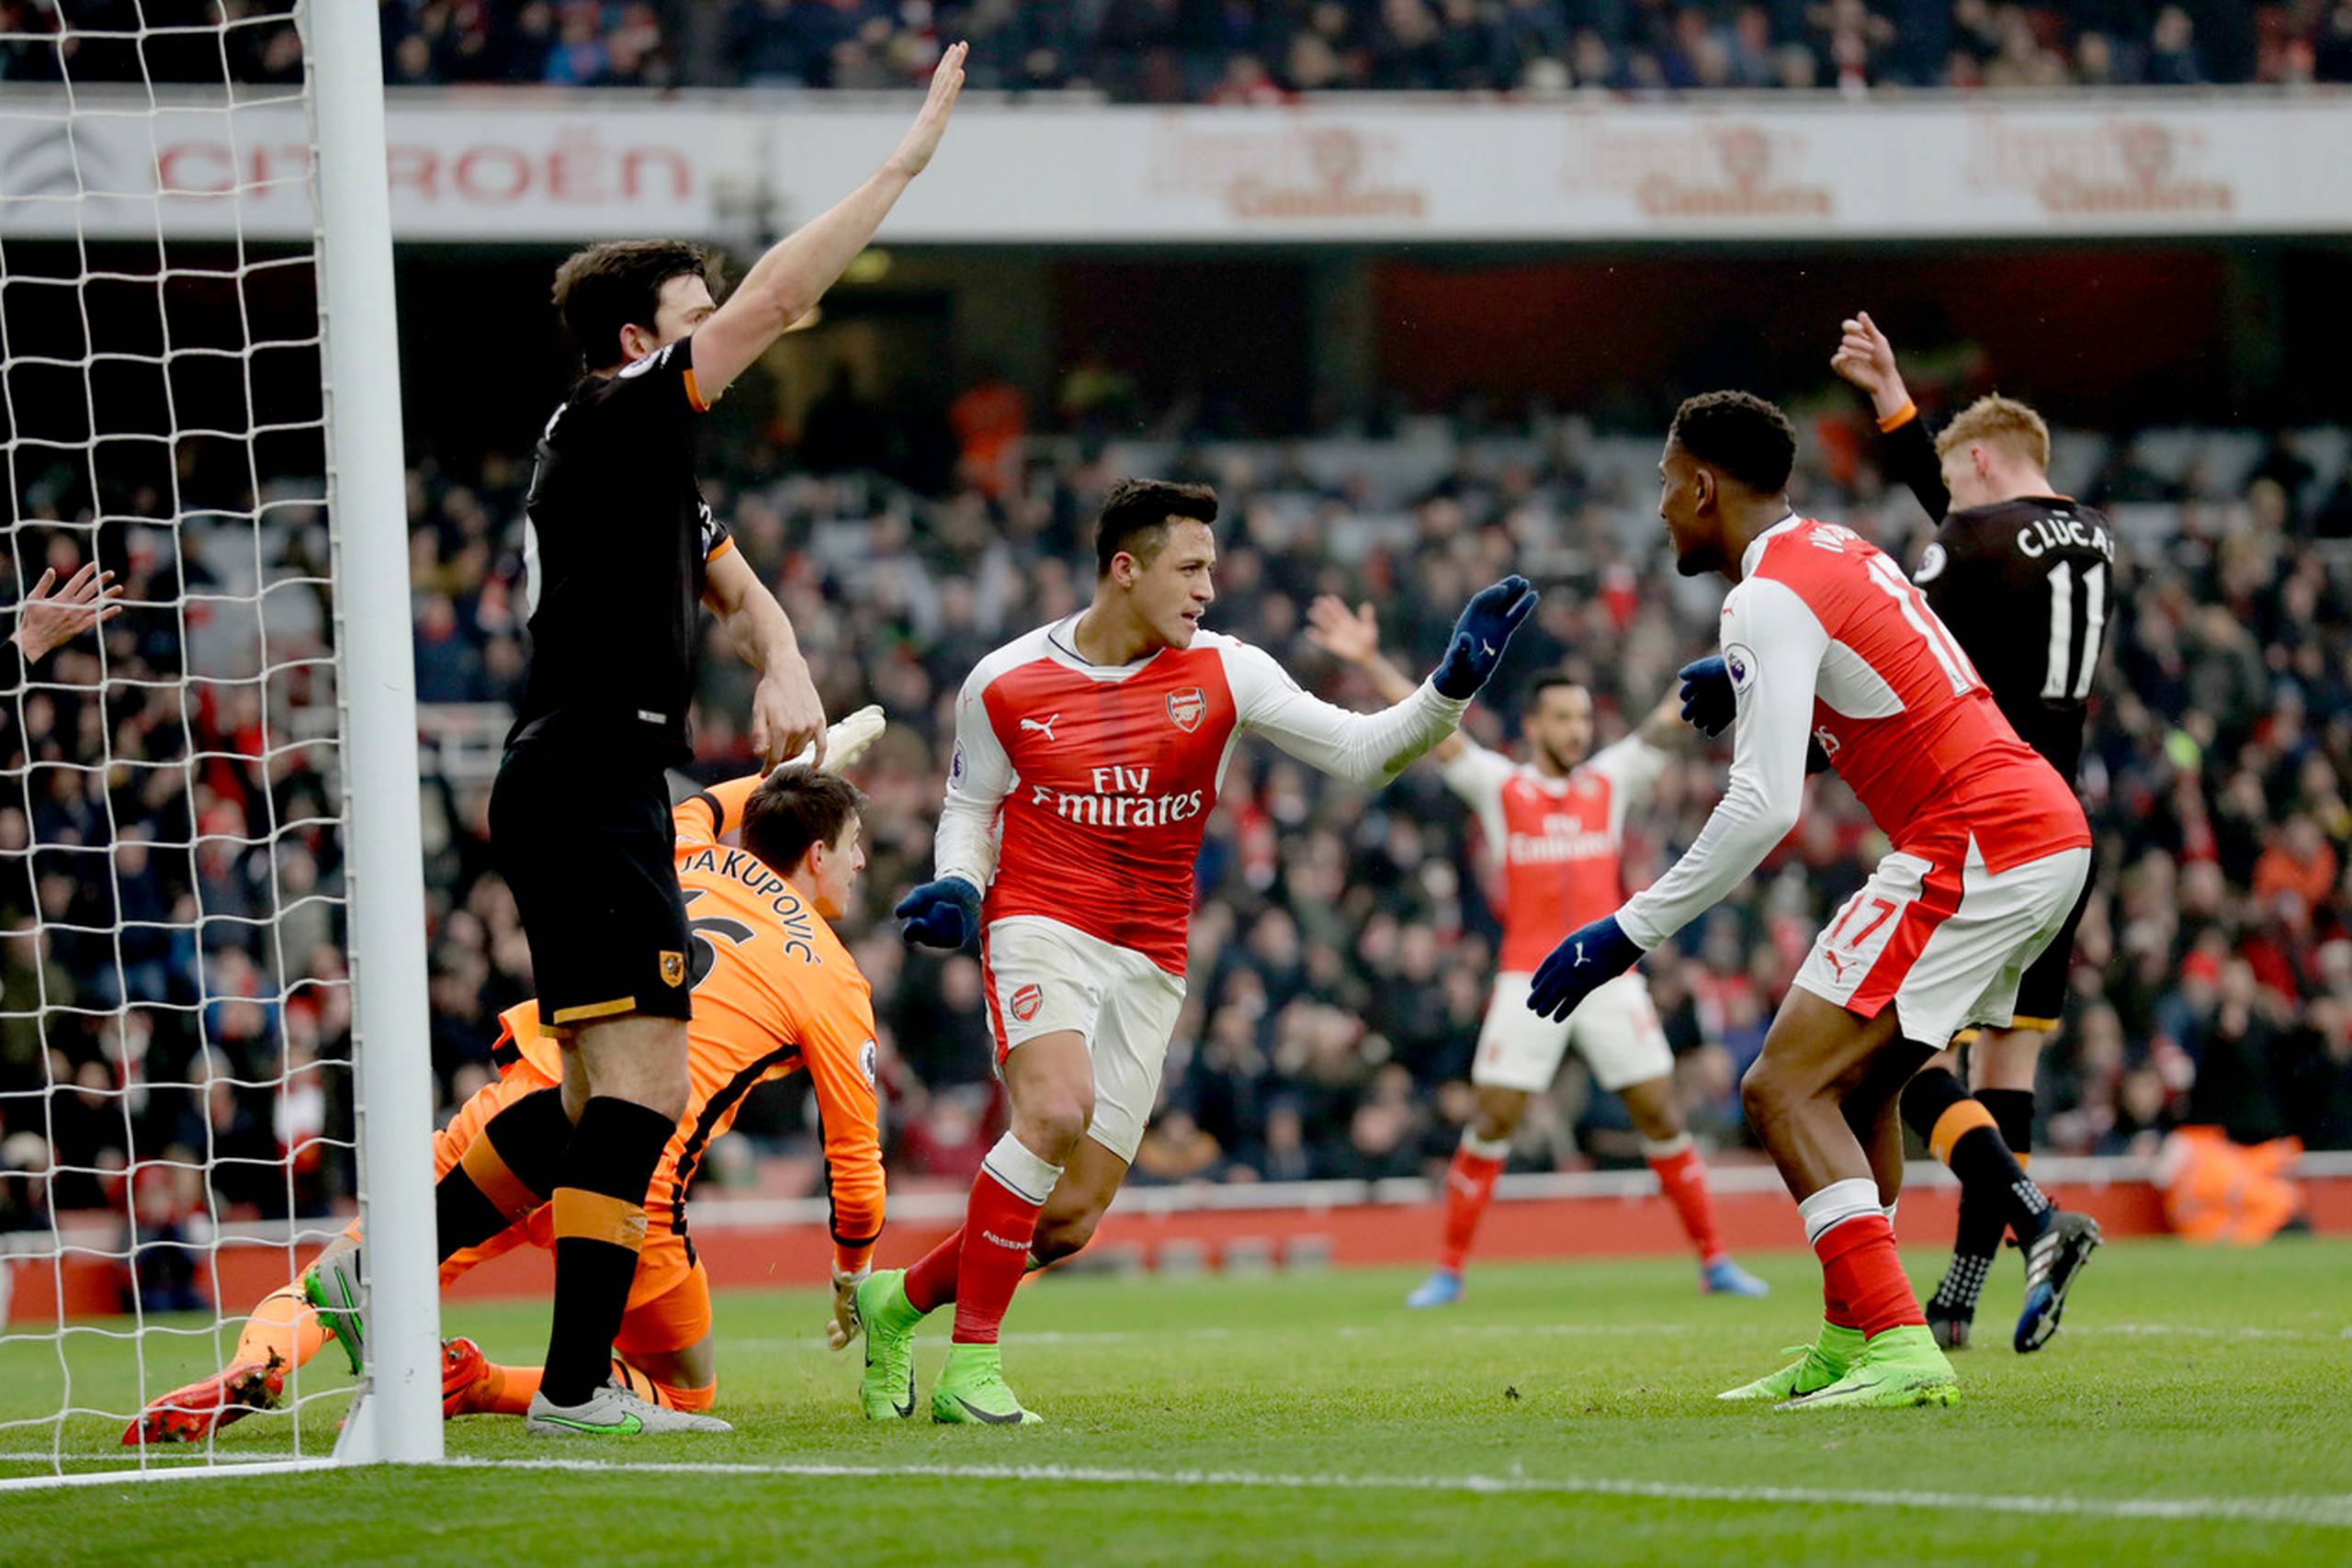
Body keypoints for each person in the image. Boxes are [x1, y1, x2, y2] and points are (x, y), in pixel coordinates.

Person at [412, 45, 962, 1439]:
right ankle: (581, 1386)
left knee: (599, 1084)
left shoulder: (634, 459)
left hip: (584, 774)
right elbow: (785, 297)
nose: (728, 329)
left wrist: (781, 656)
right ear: (633, 344)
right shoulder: (614, 416)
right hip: (590, 774)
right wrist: (900, 167)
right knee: (641, 1085)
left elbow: (734, 584)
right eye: (695, 317)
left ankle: (396, 1273)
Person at [859, 478, 1537, 1426]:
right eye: (1190, 567)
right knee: (1053, 1111)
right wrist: (962, 888)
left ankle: (893, 1305)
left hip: (1151, 954)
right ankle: (971, 1372)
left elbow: (1359, 752)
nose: (1208, 587)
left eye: (1212, 568)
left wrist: (1448, 686)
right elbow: (970, 807)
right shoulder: (1004, 681)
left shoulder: (1229, 672)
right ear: (1124, 570)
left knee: (1068, 1221)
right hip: (1040, 920)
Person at [1529, 392, 2093, 1410]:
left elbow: (1761, 805)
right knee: (1854, 1088)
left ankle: (1896, 1345)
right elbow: (1892, 671)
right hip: (2030, 827)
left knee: (1777, 1089)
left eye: (1666, 485)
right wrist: (1747, 678)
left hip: (1975, 837)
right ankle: (1850, 1339)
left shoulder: (1763, 595)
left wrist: (1626, 930)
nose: (1660, 509)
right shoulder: (1834, 547)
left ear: (1703, 485)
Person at [127, 739, 888, 1445]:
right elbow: (855, 1164)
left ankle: (258, 1360)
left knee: (371, 1261)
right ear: (817, 853)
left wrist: (784, 778)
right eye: (854, 846)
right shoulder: (833, 977)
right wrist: (851, 1274)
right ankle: (487, 1383)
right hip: (635, 1172)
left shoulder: (686, 853)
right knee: (684, 1392)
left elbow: (702, 807)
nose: (860, 864)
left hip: (530, 1095)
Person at [1301, 600, 1768, 1304]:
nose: (1578, 729)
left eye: (1584, 717)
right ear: (1533, 725)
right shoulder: (1503, 786)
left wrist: (1751, 664)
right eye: (1564, 718)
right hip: (1527, 976)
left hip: (1607, 974)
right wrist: (1367, 659)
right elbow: (1436, 733)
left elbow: (1667, 723)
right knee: (1491, 1121)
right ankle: (1449, 1269)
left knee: (1661, 1114)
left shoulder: (1607, 780)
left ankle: (1714, 1261)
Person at [1831, 310, 2113, 1352]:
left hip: (1984, 827)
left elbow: (1902, 613)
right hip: (2066, 826)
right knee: (2007, 1075)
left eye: (1953, 480)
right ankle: (1959, 1291)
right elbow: (1975, 518)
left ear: (1984, 461)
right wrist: (1896, 406)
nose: (1941, 503)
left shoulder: (1973, 538)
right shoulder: (2083, 534)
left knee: (1896, 1060)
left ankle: (2034, 1221)